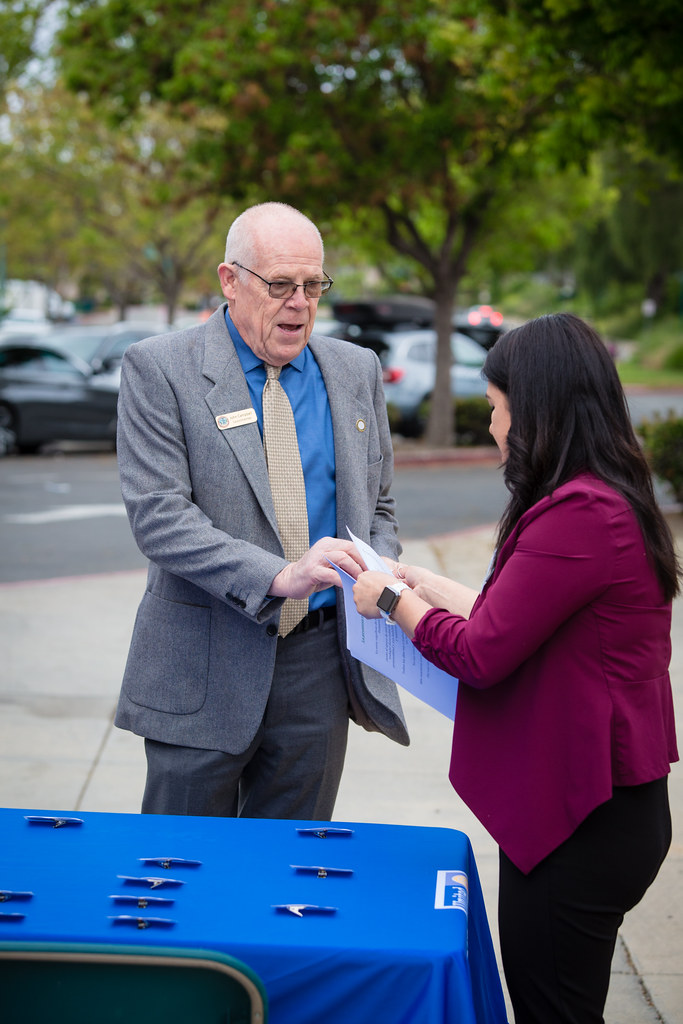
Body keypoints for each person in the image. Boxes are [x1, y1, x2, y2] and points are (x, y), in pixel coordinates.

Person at [353, 312, 679, 1024]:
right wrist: (420, 587)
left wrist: (386, 602)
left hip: (585, 820)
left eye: (498, 409)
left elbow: (480, 652)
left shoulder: (579, 514)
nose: (494, 429)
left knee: (550, 1012)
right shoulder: (603, 497)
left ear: (533, 410)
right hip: (597, 809)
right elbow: (518, 618)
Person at [115, 201, 408, 821]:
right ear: (230, 280)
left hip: (319, 667)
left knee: (286, 878)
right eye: (280, 285)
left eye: (312, 285)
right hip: (203, 659)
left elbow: (379, 504)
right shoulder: (159, 368)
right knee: (178, 874)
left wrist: (378, 568)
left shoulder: (355, 371)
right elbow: (160, 518)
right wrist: (279, 577)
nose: (299, 302)